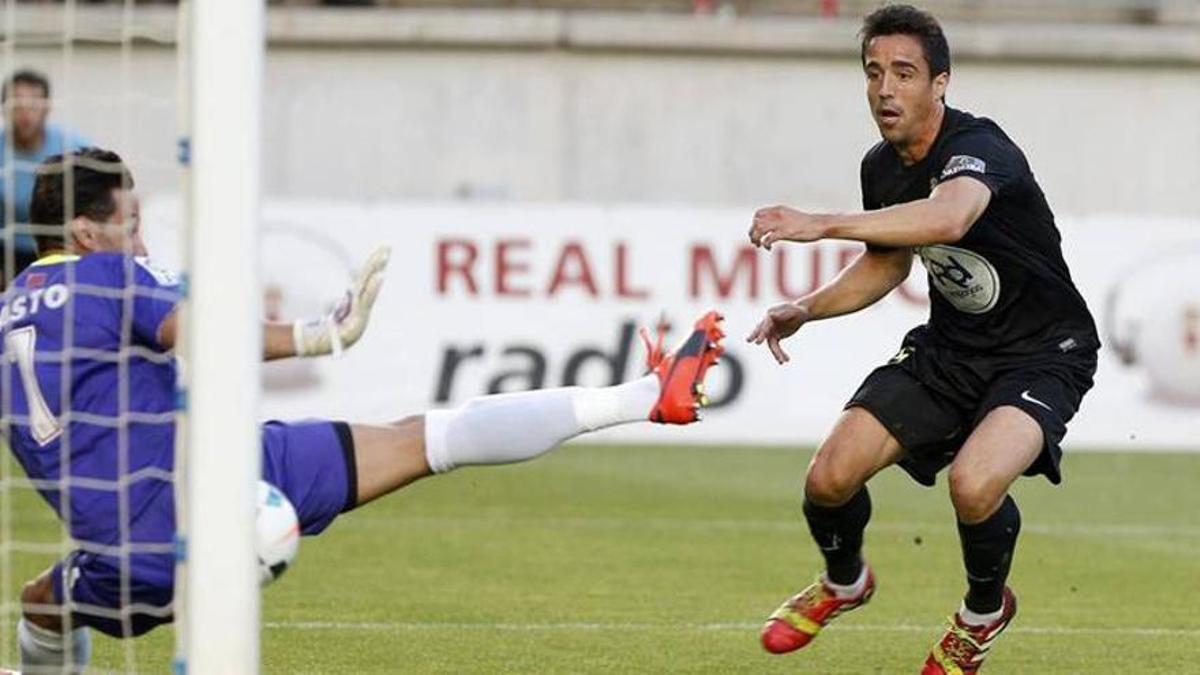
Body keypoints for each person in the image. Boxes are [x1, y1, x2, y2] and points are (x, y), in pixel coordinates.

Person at [5, 147, 726, 672]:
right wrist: (322, 333)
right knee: (432, 438)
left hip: (138, 536)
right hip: (198, 507)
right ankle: (638, 396)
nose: (143, 241)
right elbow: (209, 336)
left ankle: (642, 393)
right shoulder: (111, 275)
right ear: (85, 234)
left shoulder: (10, 314)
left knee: (40, 604)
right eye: (131, 224)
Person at [745, 5, 1097, 673]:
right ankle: (846, 582)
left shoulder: (980, 147)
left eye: (904, 73)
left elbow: (951, 216)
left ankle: (982, 613)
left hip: (1045, 353)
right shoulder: (882, 167)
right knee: (828, 478)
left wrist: (817, 223)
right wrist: (807, 309)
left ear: (940, 82)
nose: (885, 89)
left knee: (972, 483)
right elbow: (888, 262)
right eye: (874, 72)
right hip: (950, 349)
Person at [0, 69, 92, 279]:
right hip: (7, 249)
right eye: (17, 105)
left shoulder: (73, 148)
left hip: (60, 246)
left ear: (47, 108)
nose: (25, 113)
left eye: (33, 105)